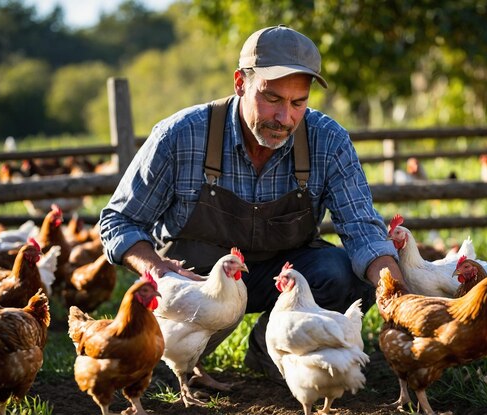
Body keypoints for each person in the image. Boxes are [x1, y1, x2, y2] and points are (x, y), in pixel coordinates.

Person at [100, 24, 403, 390]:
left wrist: (398, 297)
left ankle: (267, 348)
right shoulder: (180, 135)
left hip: (284, 276)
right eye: (272, 98)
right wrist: (159, 270)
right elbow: (119, 221)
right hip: (200, 285)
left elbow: (364, 232)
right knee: (162, 376)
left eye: (298, 103)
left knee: (345, 273)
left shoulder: (328, 140)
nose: (285, 118)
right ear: (240, 83)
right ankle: (181, 358)